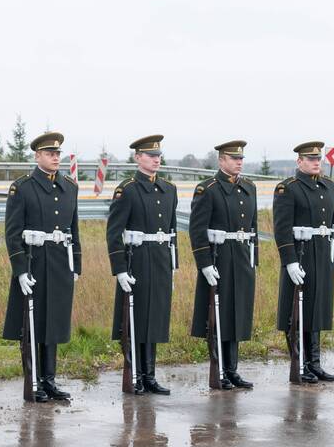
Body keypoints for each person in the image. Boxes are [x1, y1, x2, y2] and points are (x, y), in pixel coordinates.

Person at [2, 131, 81, 402]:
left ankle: (49, 380)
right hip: (34, 263)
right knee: (32, 324)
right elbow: (12, 233)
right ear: (37, 156)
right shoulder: (23, 188)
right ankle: (33, 380)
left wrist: (76, 264)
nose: (55, 158)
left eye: (58, 153)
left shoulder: (69, 187)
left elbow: (74, 229)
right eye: (50, 153)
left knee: (54, 323)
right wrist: (20, 269)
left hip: (60, 262)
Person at [106, 134, 178, 395]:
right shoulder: (127, 190)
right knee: (135, 320)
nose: (156, 160)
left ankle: (149, 375)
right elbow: (114, 232)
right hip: (136, 261)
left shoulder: (169, 189)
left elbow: (172, 232)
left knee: (155, 318)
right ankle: (134, 374)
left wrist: (174, 265)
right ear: (138, 158)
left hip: (160, 260)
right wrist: (120, 269)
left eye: (158, 155)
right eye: (150, 155)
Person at [189, 141, 257, 389]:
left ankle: (232, 370)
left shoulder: (248, 187)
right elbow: (197, 230)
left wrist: (254, 259)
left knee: (237, 314)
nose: (239, 162)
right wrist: (204, 263)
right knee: (219, 316)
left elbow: (253, 228)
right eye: (233, 158)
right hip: (220, 258)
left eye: (241, 158)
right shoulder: (208, 189)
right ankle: (218, 369)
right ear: (221, 160)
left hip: (241, 257)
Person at [272, 141, 334, 383]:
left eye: (318, 158)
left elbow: (333, 226)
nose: (316, 162)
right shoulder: (288, 188)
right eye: (310, 159)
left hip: (322, 253)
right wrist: (289, 261)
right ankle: (299, 363)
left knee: (316, 308)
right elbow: (281, 229)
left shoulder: (329, 186)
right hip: (301, 254)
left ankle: (315, 363)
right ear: (299, 161)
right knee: (297, 310)